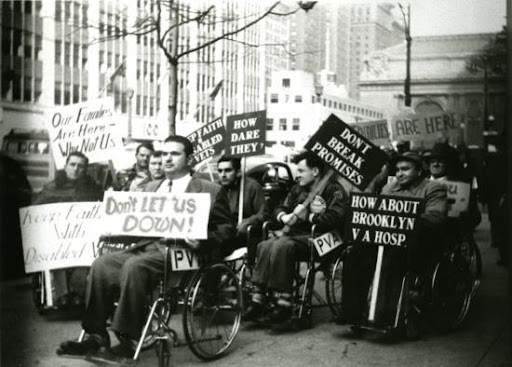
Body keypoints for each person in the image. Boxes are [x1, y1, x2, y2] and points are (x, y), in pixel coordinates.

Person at [57, 135, 234, 357]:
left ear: (189, 158)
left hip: (181, 251)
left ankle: (128, 338)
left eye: (175, 154)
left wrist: (203, 239)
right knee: (102, 264)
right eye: (164, 153)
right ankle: (96, 335)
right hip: (147, 246)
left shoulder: (209, 189)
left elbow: (226, 229)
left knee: (135, 266)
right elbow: (137, 224)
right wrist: (113, 228)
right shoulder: (152, 187)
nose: (167, 159)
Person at [339, 151, 447, 330]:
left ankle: (385, 315)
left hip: (417, 245)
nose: (399, 174)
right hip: (386, 240)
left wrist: (404, 218)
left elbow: (436, 218)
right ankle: (351, 312)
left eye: (405, 169)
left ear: (419, 171)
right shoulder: (390, 188)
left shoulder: (433, 188)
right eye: (397, 170)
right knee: (355, 255)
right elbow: (377, 212)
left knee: (391, 261)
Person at [243, 151, 348, 332]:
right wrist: (283, 216)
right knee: (265, 245)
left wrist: (310, 217)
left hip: (323, 237)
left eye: (301, 170)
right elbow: (281, 207)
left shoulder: (334, 190)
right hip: (296, 235)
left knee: (282, 245)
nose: (297, 174)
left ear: (315, 171)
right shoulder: (297, 188)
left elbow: (336, 218)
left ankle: (284, 301)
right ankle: (258, 298)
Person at [34, 151, 103, 309]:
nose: (76, 169)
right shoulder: (51, 188)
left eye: (81, 166)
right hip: (57, 237)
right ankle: (62, 294)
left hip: (83, 237)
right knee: (57, 255)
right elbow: (35, 212)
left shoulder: (93, 189)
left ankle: (78, 293)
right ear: (65, 166)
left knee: (85, 256)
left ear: (85, 170)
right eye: (72, 165)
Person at [216, 155, 269, 252]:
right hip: (222, 231)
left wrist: (248, 222)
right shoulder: (216, 188)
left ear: (238, 172)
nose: (223, 175)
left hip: (243, 235)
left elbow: (263, 214)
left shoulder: (252, 187)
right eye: (220, 171)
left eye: (228, 170)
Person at [427, 142, 481, 233]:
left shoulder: (461, 188)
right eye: (432, 161)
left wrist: (463, 215)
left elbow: (475, 218)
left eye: (440, 161)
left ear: (447, 163)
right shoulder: (418, 185)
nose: (435, 164)